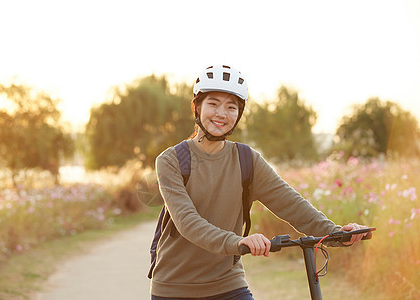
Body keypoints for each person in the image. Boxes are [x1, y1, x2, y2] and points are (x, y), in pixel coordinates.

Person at [151, 65, 370, 300]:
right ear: (197, 107)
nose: (221, 114)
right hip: (175, 287)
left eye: (231, 107)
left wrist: (336, 233)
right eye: (213, 103)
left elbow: (292, 205)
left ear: (239, 114)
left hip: (228, 283)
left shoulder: (247, 160)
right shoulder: (172, 160)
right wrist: (238, 242)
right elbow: (187, 222)